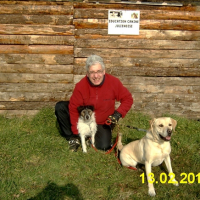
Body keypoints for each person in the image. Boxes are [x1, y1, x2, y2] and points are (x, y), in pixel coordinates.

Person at [55, 55, 133, 152]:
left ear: (104, 71)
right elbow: (74, 108)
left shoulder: (113, 82)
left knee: (104, 146)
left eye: (99, 71)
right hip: (84, 117)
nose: (96, 76)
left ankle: (91, 137)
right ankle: (73, 138)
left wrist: (118, 113)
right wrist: (76, 132)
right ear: (87, 73)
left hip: (102, 122)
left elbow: (128, 99)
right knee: (61, 107)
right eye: (92, 72)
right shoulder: (81, 86)